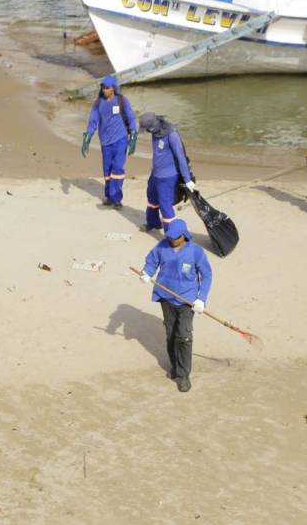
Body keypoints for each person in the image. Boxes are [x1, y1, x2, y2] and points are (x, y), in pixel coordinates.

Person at [139, 219, 212, 392]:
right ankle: (175, 366)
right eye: (170, 237)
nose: (173, 241)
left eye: (176, 238)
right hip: (166, 298)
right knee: (171, 334)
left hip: (187, 300)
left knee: (184, 336)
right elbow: (151, 261)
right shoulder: (162, 246)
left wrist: (201, 298)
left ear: (184, 235)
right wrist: (147, 273)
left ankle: (184, 374)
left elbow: (207, 275)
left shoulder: (196, 252)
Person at [81, 75, 138, 209]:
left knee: (117, 168)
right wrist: (87, 138)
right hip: (105, 141)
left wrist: (133, 138)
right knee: (107, 170)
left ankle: (116, 198)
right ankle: (109, 196)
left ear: (113, 88)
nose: (104, 90)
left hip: (121, 139)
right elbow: (93, 121)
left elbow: (131, 118)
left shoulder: (122, 100)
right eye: (102, 87)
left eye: (107, 88)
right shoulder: (98, 102)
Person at [138, 112, 196, 232]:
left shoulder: (172, 135)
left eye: (147, 129)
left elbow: (180, 158)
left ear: (152, 127)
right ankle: (153, 223)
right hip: (155, 174)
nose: (147, 132)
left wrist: (187, 179)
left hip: (167, 177)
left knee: (165, 205)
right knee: (152, 200)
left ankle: (171, 234)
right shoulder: (156, 133)